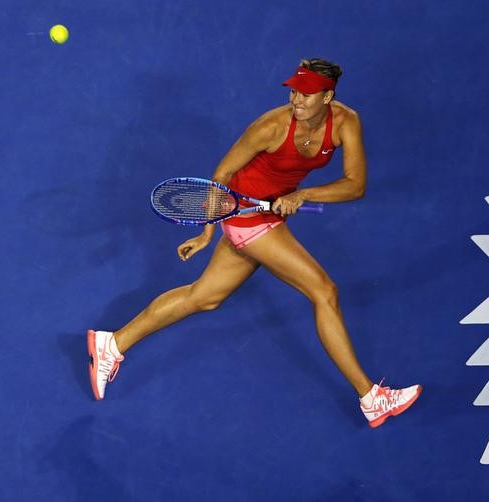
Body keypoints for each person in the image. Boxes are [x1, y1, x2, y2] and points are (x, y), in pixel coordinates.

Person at [87, 58, 421, 428]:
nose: (297, 99)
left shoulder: (347, 123)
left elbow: (355, 184)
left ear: (328, 97)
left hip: (270, 213)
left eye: (307, 94)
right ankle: (370, 398)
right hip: (245, 214)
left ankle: (113, 343)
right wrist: (209, 228)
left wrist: (305, 194)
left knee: (205, 296)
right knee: (324, 291)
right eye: (294, 91)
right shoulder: (270, 127)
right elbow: (223, 174)